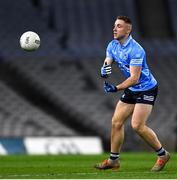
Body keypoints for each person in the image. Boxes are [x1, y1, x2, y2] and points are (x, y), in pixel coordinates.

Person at [94, 15, 170, 171]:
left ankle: (162, 155)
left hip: (146, 88)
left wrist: (116, 88)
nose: (115, 28)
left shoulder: (136, 50)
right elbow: (108, 60)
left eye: (119, 26)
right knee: (116, 122)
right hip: (132, 89)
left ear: (128, 29)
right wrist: (104, 70)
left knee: (137, 126)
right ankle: (113, 160)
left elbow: (134, 78)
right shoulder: (112, 45)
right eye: (115, 25)